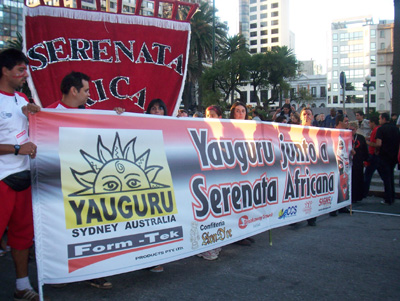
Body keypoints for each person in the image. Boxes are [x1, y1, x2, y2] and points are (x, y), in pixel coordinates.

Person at [47, 71, 116, 289]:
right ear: (74, 90)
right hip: (58, 184)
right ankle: (58, 272)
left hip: (87, 184)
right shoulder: (47, 114)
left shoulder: (90, 114)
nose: (88, 94)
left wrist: (117, 116)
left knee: (91, 229)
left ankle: (93, 271)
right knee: (60, 229)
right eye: (86, 90)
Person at [0, 48, 42, 300]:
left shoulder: (21, 99)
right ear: (4, 71)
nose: (24, 74)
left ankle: (22, 285)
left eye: (25, 69)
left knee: (22, 236)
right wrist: (17, 148)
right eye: (20, 70)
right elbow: (18, 144)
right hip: (2, 179)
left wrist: (33, 117)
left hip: (25, 177)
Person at [230, 102, 255, 245]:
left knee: (247, 203)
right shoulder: (227, 127)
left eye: (243, 111)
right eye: (238, 111)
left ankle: (245, 231)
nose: (240, 114)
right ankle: (237, 235)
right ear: (233, 113)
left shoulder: (250, 129)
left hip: (247, 171)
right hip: (234, 172)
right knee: (236, 204)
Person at [375, 113, 400, 205]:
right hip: (394, 155)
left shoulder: (381, 129)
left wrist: (376, 150)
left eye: (380, 118)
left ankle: (388, 197)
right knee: (391, 176)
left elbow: (378, 143)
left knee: (386, 178)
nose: (379, 120)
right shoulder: (396, 129)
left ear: (383, 119)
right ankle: (392, 195)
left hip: (384, 155)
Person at [299, 108, 317, 226]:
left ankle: (312, 216)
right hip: (298, 167)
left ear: (312, 116)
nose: (306, 116)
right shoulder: (294, 130)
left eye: (308, 114)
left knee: (311, 192)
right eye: (304, 114)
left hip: (312, 167)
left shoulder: (317, 131)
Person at [348, 121, 368, 203]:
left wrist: (366, 160)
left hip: (358, 161)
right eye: (349, 130)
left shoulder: (360, 138)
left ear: (356, 129)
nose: (351, 132)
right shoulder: (346, 137)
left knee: (358, 179)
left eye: (352, 130)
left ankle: (357, 196)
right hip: (349, 161)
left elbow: (364, 150)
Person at [363, 116, 381, 197]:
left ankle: (364, 192)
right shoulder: (376, 130)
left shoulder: (376, 130)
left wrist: (367, 142)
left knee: (368, 175)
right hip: (374, 155)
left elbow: (376, 143)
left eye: (370, 123)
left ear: (373, 123)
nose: (369, 124)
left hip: (373, 154)